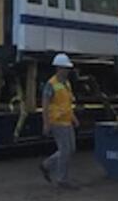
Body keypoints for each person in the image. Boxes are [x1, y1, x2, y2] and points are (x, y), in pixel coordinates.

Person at [39, 53, 79, 189]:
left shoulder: (66, 84)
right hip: (57, 121)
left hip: (66, 120)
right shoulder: (51, 84)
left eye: (68, 68)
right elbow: (45, 104)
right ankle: (62, 179)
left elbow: (67, 102)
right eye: (65, 68)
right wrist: (46, 123)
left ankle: (47, 165)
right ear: (58, 68)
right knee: (65, 150)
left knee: (70, 149)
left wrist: (73, 118)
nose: (67, 71)